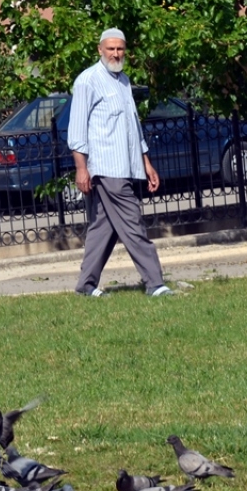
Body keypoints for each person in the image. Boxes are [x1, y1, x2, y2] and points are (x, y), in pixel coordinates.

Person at [67, 28, 174, 297]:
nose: (116, 53)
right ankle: (155, 283)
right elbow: (76, 130)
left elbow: (132, 128)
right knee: (133, 222)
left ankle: (85, 286)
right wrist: (81, 168)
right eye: (111, 48)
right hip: (105, 168)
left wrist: (146, 163)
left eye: (120, 49)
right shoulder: (87, 81)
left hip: (126, 166)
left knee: (103, 228)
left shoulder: (123, 80)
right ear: (99, 49)